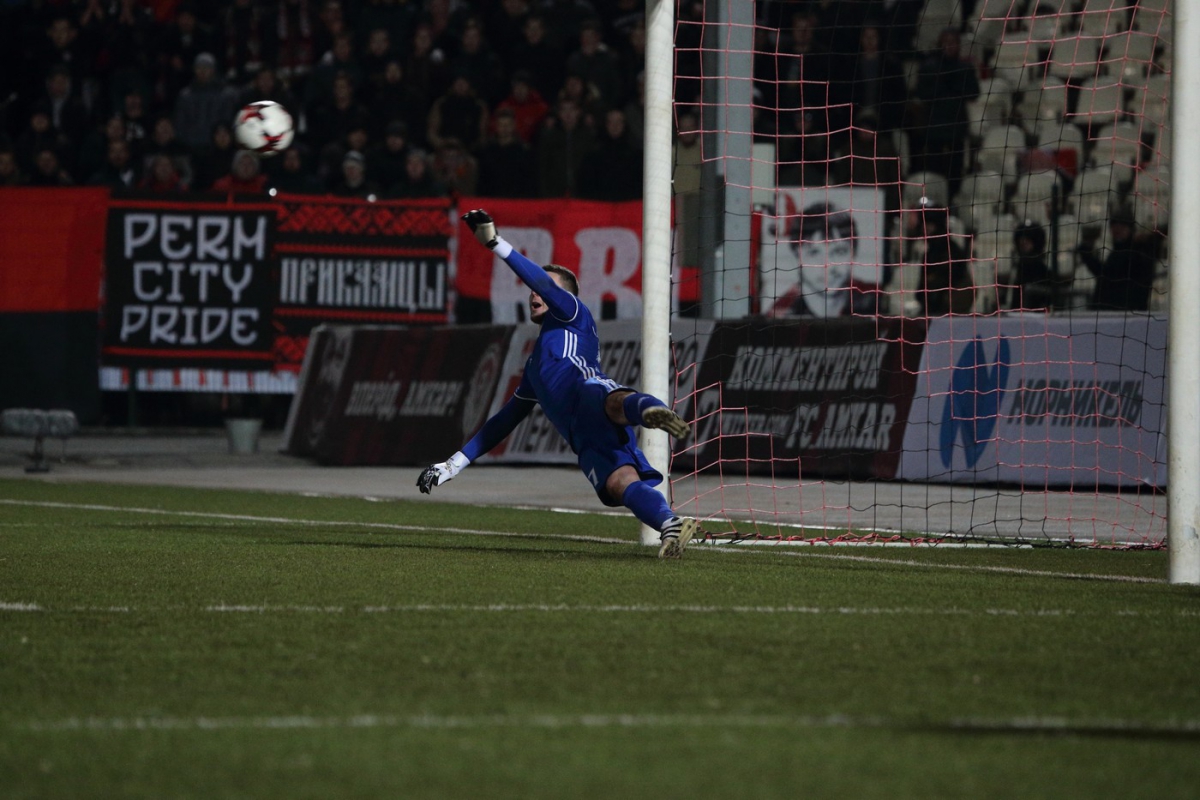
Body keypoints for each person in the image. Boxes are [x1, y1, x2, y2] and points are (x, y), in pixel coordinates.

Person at [418, 209, 699, 559]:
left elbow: (546, 285)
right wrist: (452, 464)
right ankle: (670, 524)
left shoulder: (572, 314)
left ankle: (650, 410)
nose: (534, 293)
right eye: (531, 289)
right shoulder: (533, 368)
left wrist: (495, 243)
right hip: (584, 438)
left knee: (610, 400)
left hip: (587, 390)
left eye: (541, 288)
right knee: (620, 484)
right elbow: (503, 421)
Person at [1076, 208, 1157, 311]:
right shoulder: (1118, 251)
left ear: (1130, 229)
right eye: (1114, 225)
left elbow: (1106, 274)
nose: (1117, 229)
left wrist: (1086, 253)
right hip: (1109, 312)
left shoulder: (1135, 253)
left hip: (1126, 312)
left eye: (1122, 225)